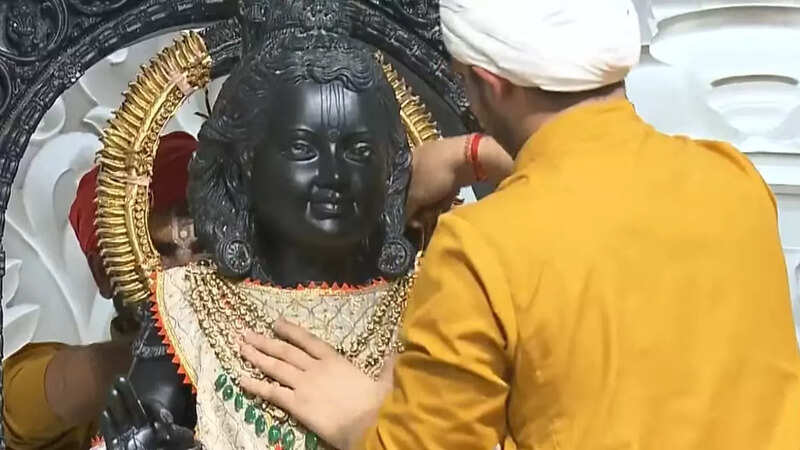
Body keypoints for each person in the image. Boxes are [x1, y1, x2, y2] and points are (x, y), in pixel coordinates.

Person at [238, 1, 800, 449]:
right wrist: (475, 153)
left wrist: (363, 418)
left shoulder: (481, 250)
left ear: (489, 81)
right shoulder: (734, 182)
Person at [3, 132, 202, 450]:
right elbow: (14, 404)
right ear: (104, 272)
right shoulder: (72, 390)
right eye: (167, 247)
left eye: (208, 241)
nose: (196, 265)